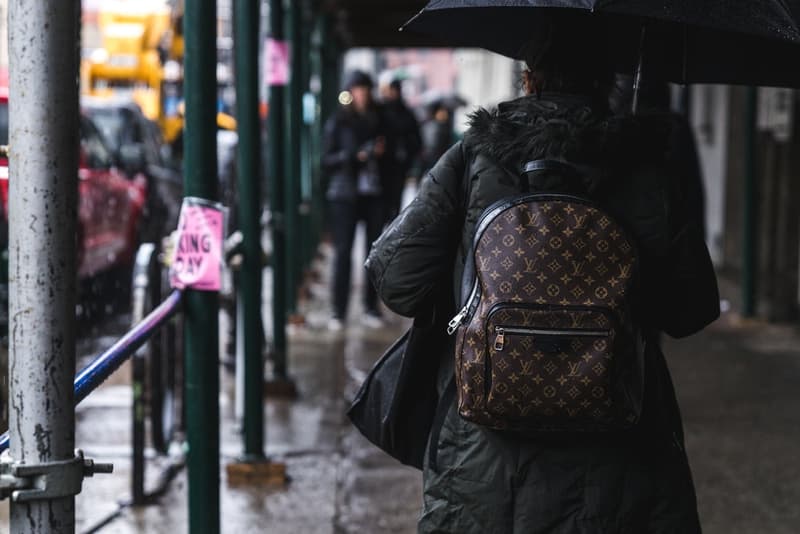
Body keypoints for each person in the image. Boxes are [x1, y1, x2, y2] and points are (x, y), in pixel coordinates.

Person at [365, 16, 719, 534]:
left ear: (529, 77)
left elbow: (395, 278)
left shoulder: (475, 157)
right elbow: (691, 309)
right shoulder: (645, 168)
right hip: (620, 451)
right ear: (608, 80)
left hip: (482, 453)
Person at [322, 70, 387, 330]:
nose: (363, 94)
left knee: (374, 253)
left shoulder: (378, 119)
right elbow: (326, 160)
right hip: (344, 194)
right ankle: (338, 311)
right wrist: (354, 156)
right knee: (343, 253)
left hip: (372, 193)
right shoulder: (338, 120)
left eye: (366, 89)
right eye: (358, 89)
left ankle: (370, 308)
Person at [380, 77, 422, 221]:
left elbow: (417, 140)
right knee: (387, 202)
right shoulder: (386, 111)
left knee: (394, 201)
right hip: (387, 163)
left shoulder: (397, 112)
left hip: (397, 164)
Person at [419, 102, 453, 175]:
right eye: (441, 112)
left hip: (440, 158)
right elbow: (430, 144)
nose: (444, 114)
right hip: (431, 158)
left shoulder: (446, 126)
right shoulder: (431, 126)